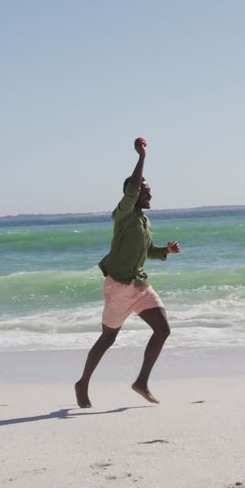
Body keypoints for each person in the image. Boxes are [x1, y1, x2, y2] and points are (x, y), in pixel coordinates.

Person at [75, 137, 180, 408]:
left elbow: (145, 251)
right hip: (119, 287)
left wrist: (165, 251)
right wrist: (141, 157)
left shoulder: (144, 221)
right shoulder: (123, 213)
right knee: (109, 337)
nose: (149, 194)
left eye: (148, 190)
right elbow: (132, 189)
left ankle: (141, 382)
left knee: (163, 329)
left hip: (140, 286)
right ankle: (83, 382)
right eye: (145, 191)